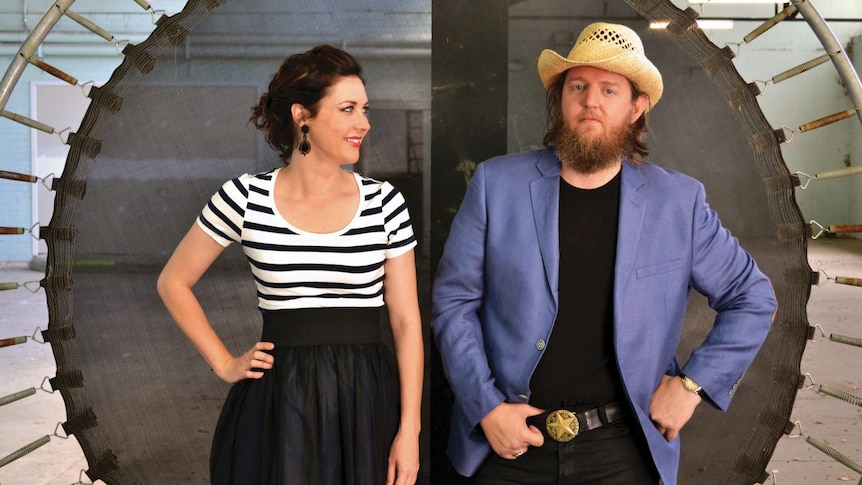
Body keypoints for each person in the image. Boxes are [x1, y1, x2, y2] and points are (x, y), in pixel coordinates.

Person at [431, 22, 776, 485]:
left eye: (609, 89)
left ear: (636, 108)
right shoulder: (497, 185)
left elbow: (752, 297)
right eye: (578, 86)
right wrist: (486, 407)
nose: (591, 100)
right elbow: (454, 303)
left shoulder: (678, 202)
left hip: (624, 449)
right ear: (562, 100)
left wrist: (694, 385)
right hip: (507, 446)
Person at [157, 45, 422, 485]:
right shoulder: (244, 197)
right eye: (348, 109)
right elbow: (173, 282)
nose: (365, 123)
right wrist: (224, 364)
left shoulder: (384, 202)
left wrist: (409, 428)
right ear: (303, 115)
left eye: (365, 109)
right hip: (277, 402)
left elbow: (406, 321)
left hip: (366, 400)